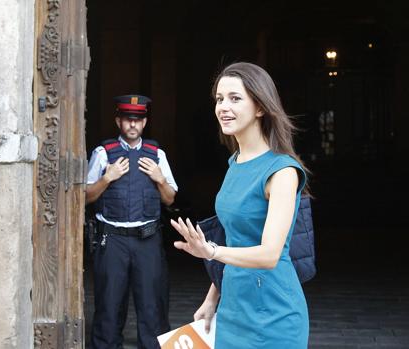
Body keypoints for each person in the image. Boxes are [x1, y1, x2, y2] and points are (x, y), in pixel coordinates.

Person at [170, 62, 310, 348]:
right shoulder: (235, 162)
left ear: (260, 107)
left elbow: (269, 254)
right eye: (220, 99)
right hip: (233, 307)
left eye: (235, 98)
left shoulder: (282, 171)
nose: (223, 107)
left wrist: (210, 251)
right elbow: (236, 238)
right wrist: (211, 299)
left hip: (273, 313)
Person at [86, 94, 178, 349]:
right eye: (128, 119)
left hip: (147, 241)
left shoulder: (156, 154)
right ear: (118, 121)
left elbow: (170, 199)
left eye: (138, 120)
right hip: (112, 241)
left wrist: (160, 178)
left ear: (145, 122)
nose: (133, 125)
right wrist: (107, 178)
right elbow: (84, 196)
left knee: (152, 307)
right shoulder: (103, 153)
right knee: (109, 305)